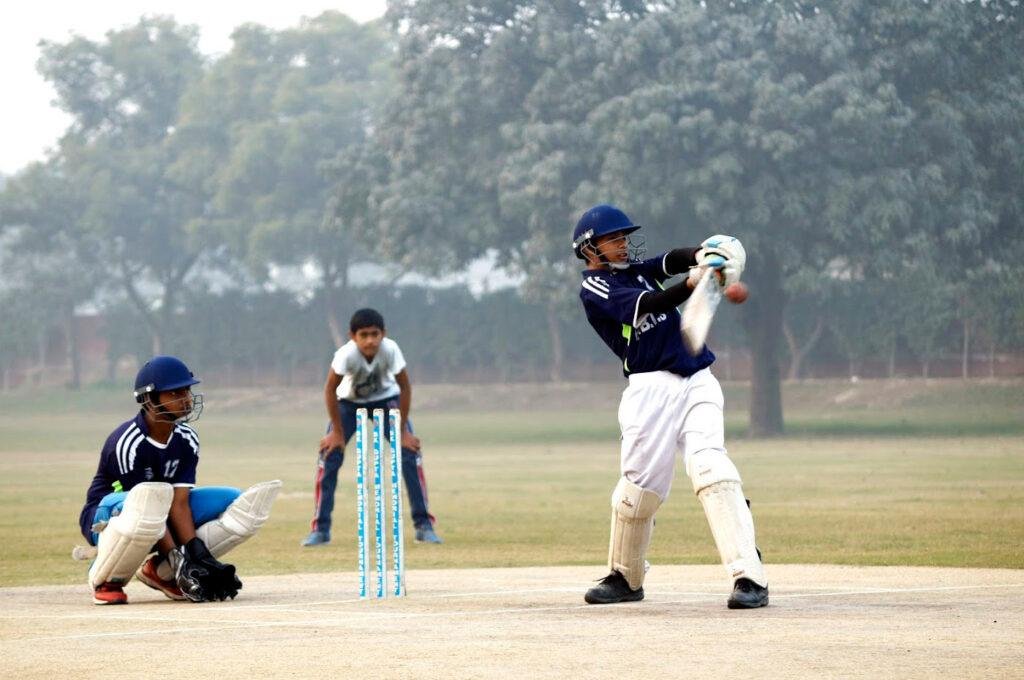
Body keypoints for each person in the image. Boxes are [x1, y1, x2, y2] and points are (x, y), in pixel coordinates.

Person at [571, 204, 768, 608]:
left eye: (624, 237)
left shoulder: (635, 269)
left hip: (697, 378)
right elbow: (649, 305)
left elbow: (668, 260)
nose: (623, 244)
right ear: (590, 249)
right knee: (640, 490)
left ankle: (749, 576)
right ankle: (626, 577)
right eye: (614, 239)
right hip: (648, 390)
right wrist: (693, 284)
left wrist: (702, 256)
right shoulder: (595, 288)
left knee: (711, 467)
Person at [78, 355, 281, 605]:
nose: (185, 399)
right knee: (149, 502)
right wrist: (178, 559)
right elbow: (142, 504)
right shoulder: (128, 442)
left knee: (234, 501)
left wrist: (195, 551)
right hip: (106, 515)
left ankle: (160, 572)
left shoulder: (186, 439)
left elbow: (179, 503)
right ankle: (106, 579)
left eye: (187, 390)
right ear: (150, 399)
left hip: (158, 510)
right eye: (175, 393)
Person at [302, 308, 442, 546]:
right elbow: (329, 390)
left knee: (409, 453)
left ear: (383, 334)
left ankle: (424, 525)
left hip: (386, 400)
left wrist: (403, 432)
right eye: (363, 335)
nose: (370, 340)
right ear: (352, 336)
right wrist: (336, 432)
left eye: (375, 334)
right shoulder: (345, 355)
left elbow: (405, 388)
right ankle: (320, 529)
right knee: (329, 455)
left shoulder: (391, 349)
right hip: (349, 403)